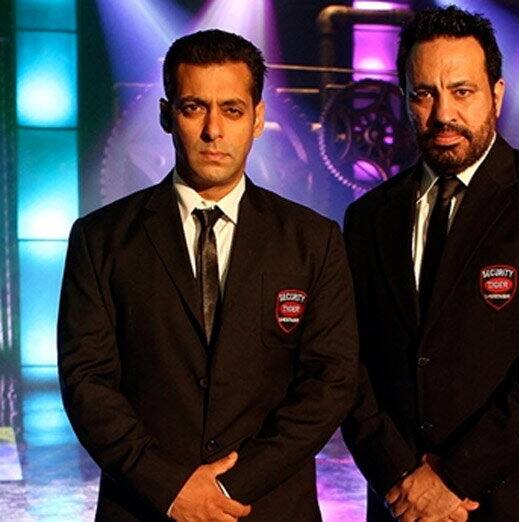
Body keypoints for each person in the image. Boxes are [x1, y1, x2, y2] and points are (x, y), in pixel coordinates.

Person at [58, 29, 358, 522]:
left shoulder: (313, 240)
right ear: (166, 115)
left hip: (268, 507)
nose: (213, 130)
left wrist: (227, 487)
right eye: (194, 107)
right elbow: (86, 382)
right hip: (145, 507)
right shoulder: (100, 239)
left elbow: (331, 382)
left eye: (232, 110)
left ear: (257, 119)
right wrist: (170, 487)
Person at [342, 6, 519, 522]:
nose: (443, 114)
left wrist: (452, 479)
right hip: (402, 504)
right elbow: (347, 363)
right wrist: (398, 475)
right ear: (404, 99)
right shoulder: (368, 217)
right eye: (424, 94)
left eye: (462, 91)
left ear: (497, 95)